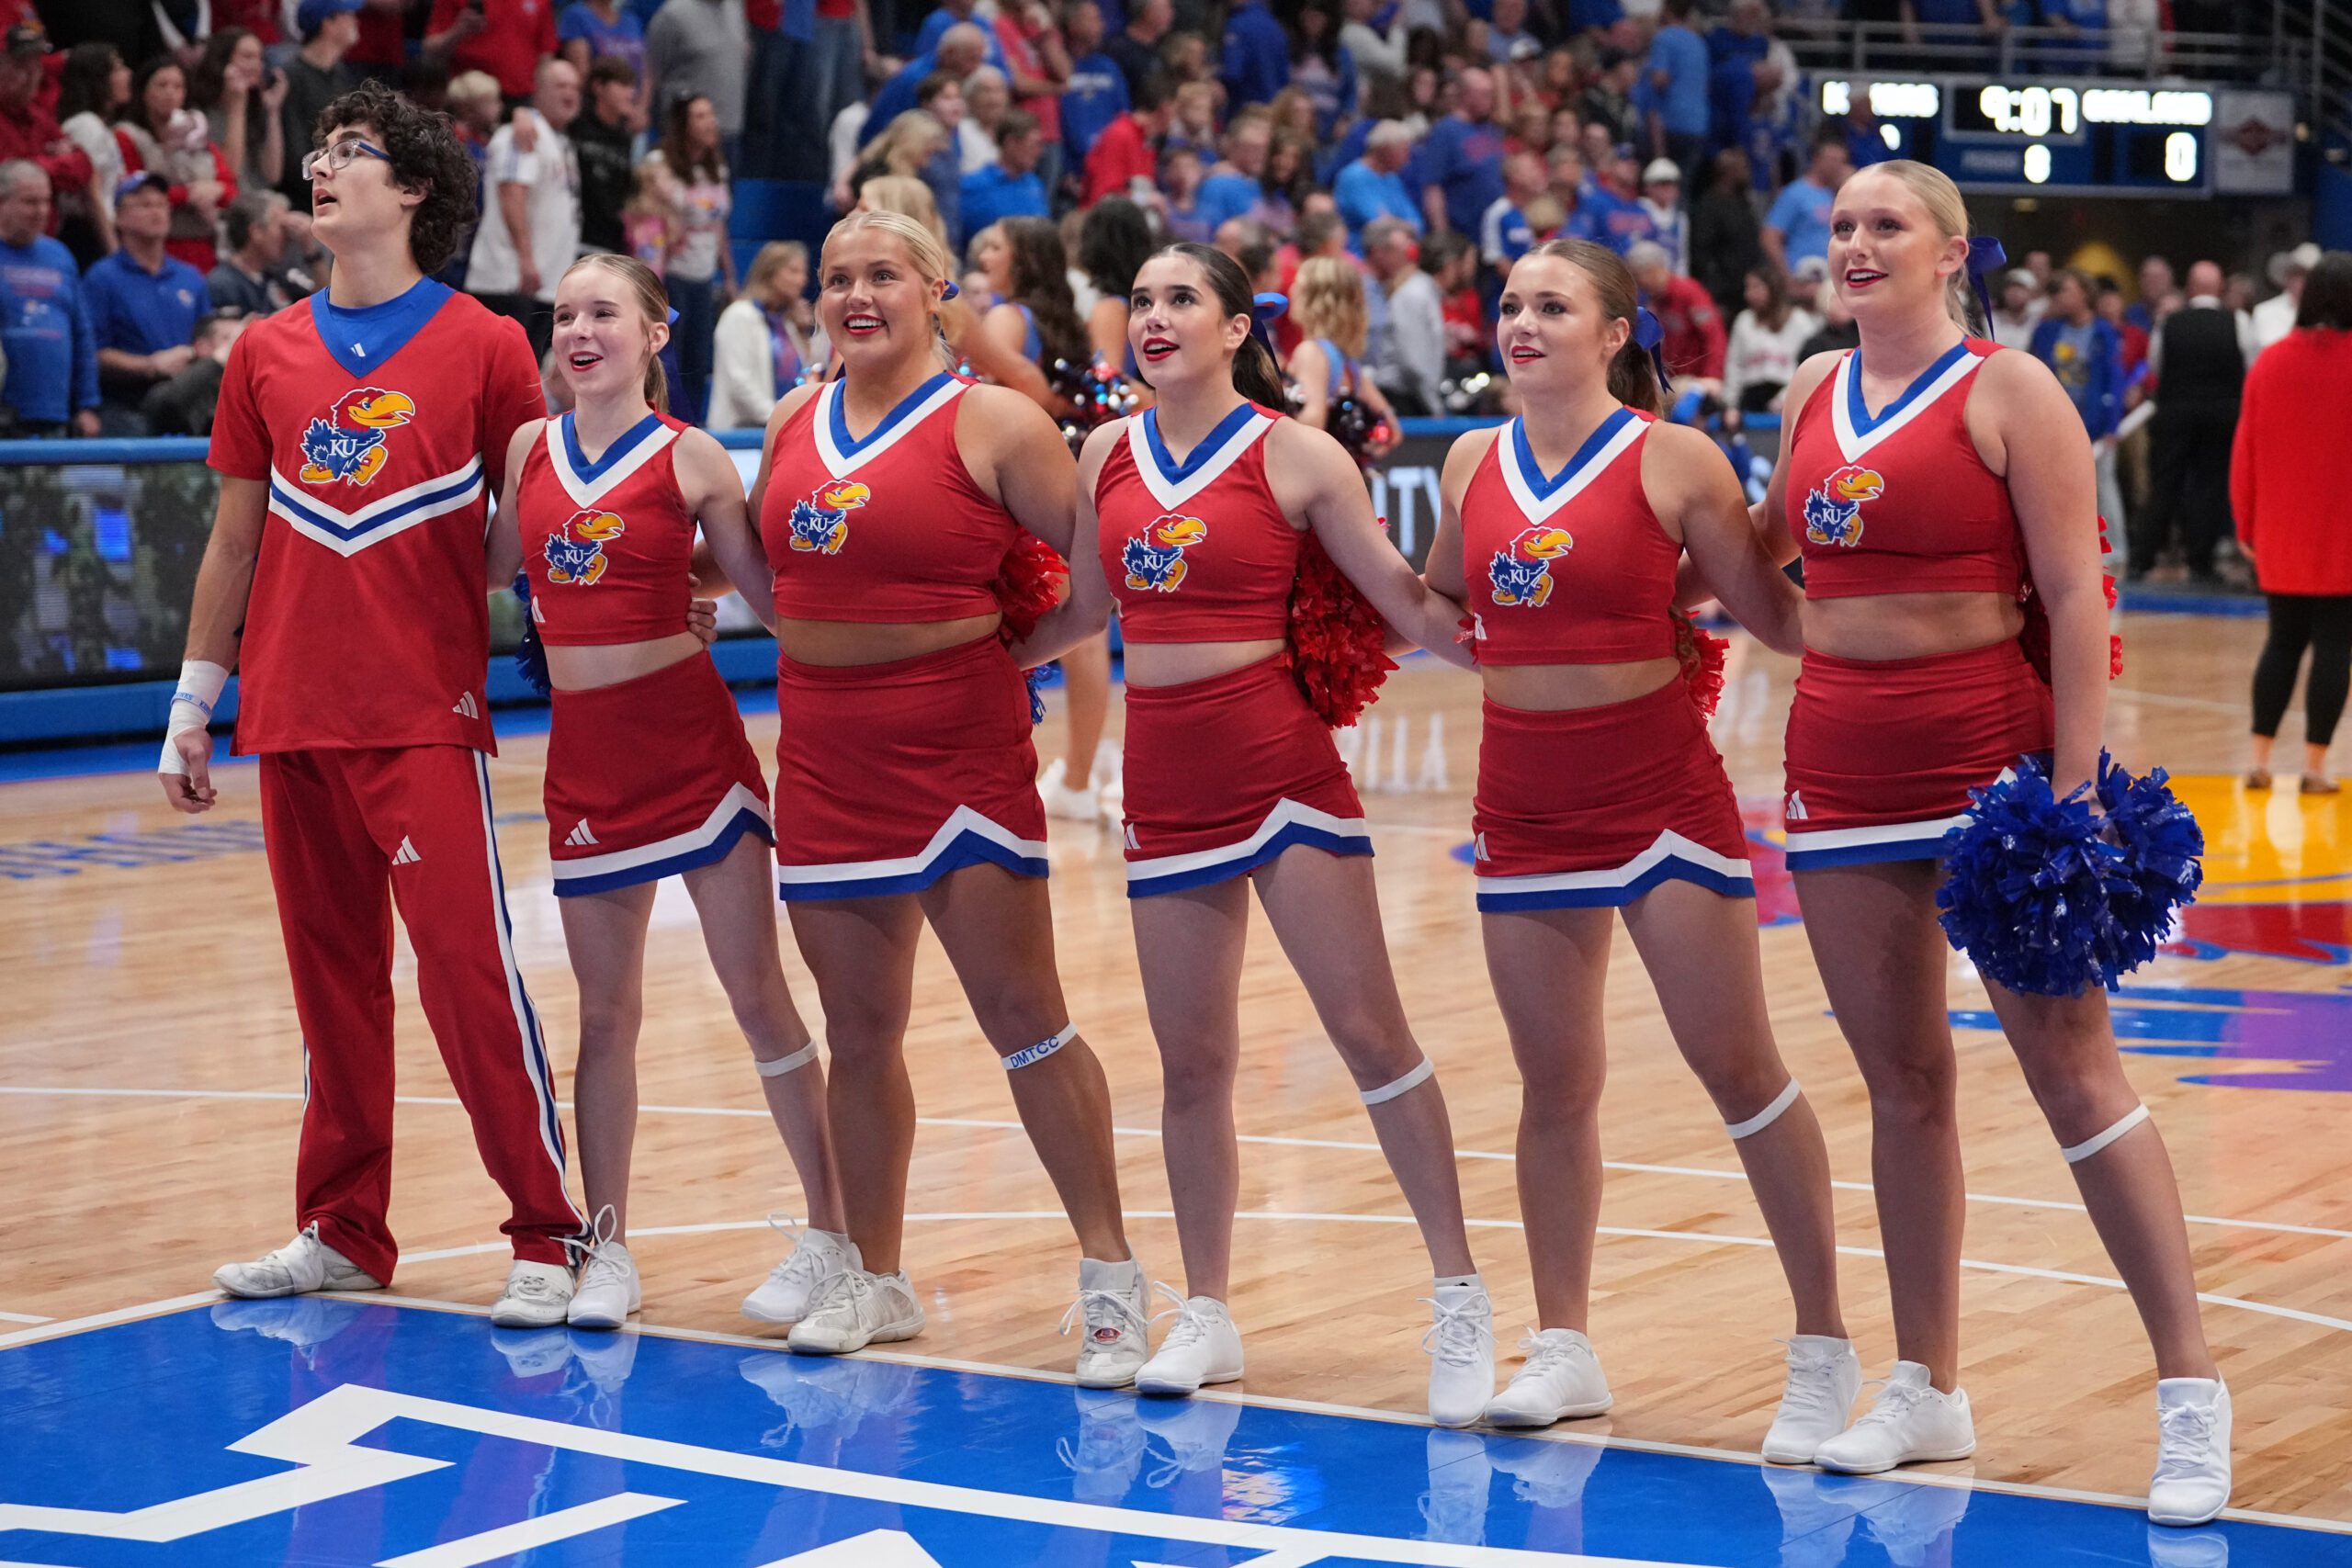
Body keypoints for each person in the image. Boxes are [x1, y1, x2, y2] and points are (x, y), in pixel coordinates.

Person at [1754, 159, 2228, 1524]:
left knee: (2074, 1074)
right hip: (1839, 768)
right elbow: (1769, 567)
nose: (1854, 243)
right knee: (1902, 1084)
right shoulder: (1804, 396)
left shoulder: (2009, 391)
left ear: (1953, 252)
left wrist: (2075, 792)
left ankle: (2191, 1390)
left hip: (1989, 771)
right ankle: (1927, 1379)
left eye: (1885, 224)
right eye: (1841, 226)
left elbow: (2079, 597)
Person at [1017, 239, 1496, 1423]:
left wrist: (1581, 641)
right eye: (1140, 300)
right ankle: (1212, 1311)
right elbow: (1082, 606)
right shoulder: (1102, 452)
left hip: (1281, 771)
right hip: (1167, 781)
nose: (1154, 317)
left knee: (1371, 1034)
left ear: (1237, 329)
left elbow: (1403, 604)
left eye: (1181, 299)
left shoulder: (1296, 454)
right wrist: (936, 659)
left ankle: (1461, 1298)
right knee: (1193, 1065)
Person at [163, 80, 601, 1329]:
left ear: (411, 189)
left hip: (422, 704)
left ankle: (545, 1227)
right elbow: (234, 540)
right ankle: (344, 1227)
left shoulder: (485, 343)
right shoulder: (262, 348)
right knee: (330, 985)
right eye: (316, 151)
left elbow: (537, 518)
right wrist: (195, 697)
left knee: (468, 974)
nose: (320, 166)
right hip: (291, 711)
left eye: (351, 151)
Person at [1419, 236, 1851, 1444]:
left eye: (1553, 305)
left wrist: (1928, 616)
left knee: (1739, 1065)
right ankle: (1564, 1342)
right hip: (1523, 799)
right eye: (1510, 303)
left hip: (1659, 792)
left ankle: (1822, 1343)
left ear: (1615, 334)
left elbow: (1774, 614)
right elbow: (1445, 596)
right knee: (1555, 1084)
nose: (1523, 321)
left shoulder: (1672, 458)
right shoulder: (1469, 459)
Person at [744, 208, 1147, 1374]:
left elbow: (1097, 574)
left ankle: (1111, 1273)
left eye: (882, 276)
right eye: (835, 279)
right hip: (823, 755)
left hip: (955, 755)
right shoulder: (789, 420)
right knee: (859, 1034)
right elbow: (782, 581)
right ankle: (875, 1276)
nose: (855, 297)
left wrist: (1001, 652)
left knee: (1024, 1021)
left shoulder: (996, 421)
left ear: (935, 293)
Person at [499, 254, 850, 1330]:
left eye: (603, 312)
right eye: (563, 316)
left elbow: (772, 596)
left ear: (657, 333)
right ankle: (606, 1247)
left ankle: (836, 1235)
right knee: (604, 1019)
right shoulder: (527, 450)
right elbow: (492, 590)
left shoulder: (692, 456)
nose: (578, 331)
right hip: (586, 761)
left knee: (760, 1000)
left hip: (694, 753)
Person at [2233, 252, 2352, 795]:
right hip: (2343, 533)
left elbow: (2246, 451)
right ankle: (2314, 768)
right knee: (2334, 647)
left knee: (2281, 643)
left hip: (2280, 531)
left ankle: (2258, 760)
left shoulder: (2271, 362)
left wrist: (2245, 524)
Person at [2135, 260, 2251, 585]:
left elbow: (2155, 364)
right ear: (2220, 287)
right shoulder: (2237, 322)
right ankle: (2201, 563)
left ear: (2189, 287)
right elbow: (2250, 365)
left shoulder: (2169, 322)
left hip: (2174, 414)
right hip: (2221, 416)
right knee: (2210, 488)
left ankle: (2141, 560)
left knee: (2163, 485)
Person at [466, 56, 582, 360]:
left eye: (574, 87)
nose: (569, 93)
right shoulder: (523, 136)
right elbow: (511, 193)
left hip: (540, 284)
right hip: (510, 280)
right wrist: (526, 259)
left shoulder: (557, 139)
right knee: (505, 380)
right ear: (538, 90)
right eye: (560, 86)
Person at [84, 173, 209, 432]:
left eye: (161, 204)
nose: (156, 212)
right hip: (126, 409)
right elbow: (92, 353)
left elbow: (206, 335)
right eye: (143, 205)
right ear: (119, 217)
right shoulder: (101, 278)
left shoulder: (190, 277)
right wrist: (151, 365)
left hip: (186, 406)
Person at [647, 93, 734, 424]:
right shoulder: (659, 164)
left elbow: (719, 227)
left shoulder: (716, 169)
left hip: (704, 274)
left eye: (711, 115)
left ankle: (691, 429)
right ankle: (661, 425)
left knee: (699, 362)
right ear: (683, 125)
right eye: (700, 116)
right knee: (670, 361)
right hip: (671, 274)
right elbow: (647, 220)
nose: (711, 122)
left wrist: (728, 277)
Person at [0, 161, 100, 436]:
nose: (41, 211)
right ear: (2, 203)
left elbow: (81, 332)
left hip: (55, 411)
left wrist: (87, 403)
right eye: (30, 202)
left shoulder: (59, 255)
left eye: (46, 201)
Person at [2030, 268, 2126, 555]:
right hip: (2055, 421)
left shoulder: (2103, 331)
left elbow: (2115, 378)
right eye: (2058, 292)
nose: (2061, 297)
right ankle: (2058, 548)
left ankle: (2116, 550)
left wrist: (2112, 425)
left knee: (2103, 487)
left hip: (2095, 421)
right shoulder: (2046, 330)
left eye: (2067, 291)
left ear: (2085, 294)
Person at [111, 55, 235, 274]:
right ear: (143, 91)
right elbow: (133, 191)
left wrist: (217, 189)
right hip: (157, 245)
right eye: (162, 85)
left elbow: (230, 188)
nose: (170, 93)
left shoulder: (198, 137)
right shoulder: (127, 135)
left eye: (178, 86)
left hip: (204, 245)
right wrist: (188, 194)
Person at [1286, 253, 1399, 456]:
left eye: (1298, 284)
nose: (1291, 289)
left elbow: (1312, 421)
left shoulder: (1311, 352)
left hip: (1314, 476)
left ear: (1312, 296)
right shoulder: (1346, 361)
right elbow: (1392, 428)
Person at [710, 239, 825, 430]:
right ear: (769, 273)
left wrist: (804, 333)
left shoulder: (787, 323)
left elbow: (808, 374)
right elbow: (739, 382)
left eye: (803, 273)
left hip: (779, 428)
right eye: (793, 271)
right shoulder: (739, 315)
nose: (802, 280)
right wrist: (780, 417)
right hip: (740, 433)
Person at [0, 27, 93, 243]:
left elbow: (82, 167)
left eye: (37, 66)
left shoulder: (40, 117)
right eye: (21, 67)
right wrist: (54, 162)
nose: (33, 76)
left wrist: (27, 167)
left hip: (42, 243)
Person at [278, 0, 362, 210]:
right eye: (348, 14)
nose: (355, 21)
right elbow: (293, 153)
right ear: (328, 23)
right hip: (303, 200)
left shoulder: (342, 76)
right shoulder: (291, 76)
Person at [191, 28, 287, 201]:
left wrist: (273, 112)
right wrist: (237, 106)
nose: (257, 65)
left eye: (260, 58)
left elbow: (273, 174)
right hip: (230, 208)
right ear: (222, 61)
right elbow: (230, 174)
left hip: (260, 199)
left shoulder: (255, 108)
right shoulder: (200, 115)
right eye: (247, 57)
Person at [53, 41, 128, 263]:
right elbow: (90, 193)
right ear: (97, 78)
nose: (127, 74)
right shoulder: (85, 125)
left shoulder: (99, 125)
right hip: (89, 234)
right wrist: (112, 248)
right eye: (117, 68)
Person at [1365, 215, 1443, 415]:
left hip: (1398, 393)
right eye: (1400, 252)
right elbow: (1412, 361)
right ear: (1378, 252)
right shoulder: (1361, 289)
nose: (1407, 259)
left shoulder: (1401, 290)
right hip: (1380, 392)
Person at [1420, 67, 1506, 243]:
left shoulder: (1490, 129)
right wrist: (1442, 234)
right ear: (1466, 95)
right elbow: (1433, 187)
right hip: (1462, 234)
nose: (1491, 100)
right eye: (1485, 94)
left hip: (1493, 232)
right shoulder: (1445, 131)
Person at [1721, 262, 1815, 421]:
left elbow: (1810, 366)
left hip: (1788, 394)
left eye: (1756, 288)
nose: (1750, 294)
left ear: (1773, 288)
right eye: (1748, 288)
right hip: (1750, 395)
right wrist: (1730, 405)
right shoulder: (1744, 321)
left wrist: (1785, 397)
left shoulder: (1800, 321)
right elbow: (1734, 366)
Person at [426, 0, 561, 105]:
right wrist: (458, 31)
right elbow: (430, 48)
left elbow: (546, 54)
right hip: (470, 99)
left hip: (520, 98)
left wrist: (539, 101)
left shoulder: (541, 2)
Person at [1628, 238, 1723, 389]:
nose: (1638, 283)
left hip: (1696, 380)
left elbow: (1714, 337)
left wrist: (1712, 376)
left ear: (1652, 270)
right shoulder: (1654, 300)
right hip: (1672, 378)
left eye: (1638, 276)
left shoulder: (1690, 293)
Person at [140, 306, 245, 434]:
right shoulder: (186, 388)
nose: (238, 345)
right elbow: (164, 405)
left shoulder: (249, 387)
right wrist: (218, 359)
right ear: (203, 347)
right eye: (229, 339)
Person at [571, 57, 639, 258]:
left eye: (632, 86)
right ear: (599, 86)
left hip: (610, 243)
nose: (630, 93)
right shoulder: (575, 125)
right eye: (623, 85)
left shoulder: (624, 137)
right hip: (577, 239)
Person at [1760, 134, 1849, 278]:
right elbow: (1770, 237)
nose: (1836, 166)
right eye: (1832, 160)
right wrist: (1787, 277)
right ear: (1817, 159)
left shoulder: (1835, 194)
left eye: (1841, 161)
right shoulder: (1795, 193)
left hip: (1830, 276)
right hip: (1803, 273)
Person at [1690, 146, 1761, 320]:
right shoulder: (1710, 205)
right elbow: (1702, 253)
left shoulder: (1743, 203)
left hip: (1744, 290)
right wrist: (1714, 294)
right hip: (1722, 294)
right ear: (1728, 171)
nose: (1748, 173)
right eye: (1743, 168)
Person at [208, 189, 301, 315]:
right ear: (256, 232)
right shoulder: (223, 284)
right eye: (281, 228)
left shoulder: (277, 277)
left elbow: (324, 308)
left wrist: (310, 249)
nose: (288, 237)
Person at [961, 108, 1049, 236]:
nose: (1039, 153)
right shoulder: (973, 185)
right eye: (1033, 145)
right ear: (1011, 143)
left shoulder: (1035, 184)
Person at [1334, 119, 1421, 244]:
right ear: (1386, 149)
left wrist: (1394, 222)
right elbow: (1378, 225)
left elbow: (1417, 224)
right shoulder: (1354, 177)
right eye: (1404, 151)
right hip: (1360, 251)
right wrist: (1403, 224)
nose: (1407, 159)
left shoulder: (1392, 178)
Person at [2252, 243, 2317, 355]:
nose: (2304, 282)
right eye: (2299, 275)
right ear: (2288, 276)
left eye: (2311, 276)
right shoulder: (2264, 312)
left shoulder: (2329, 317)